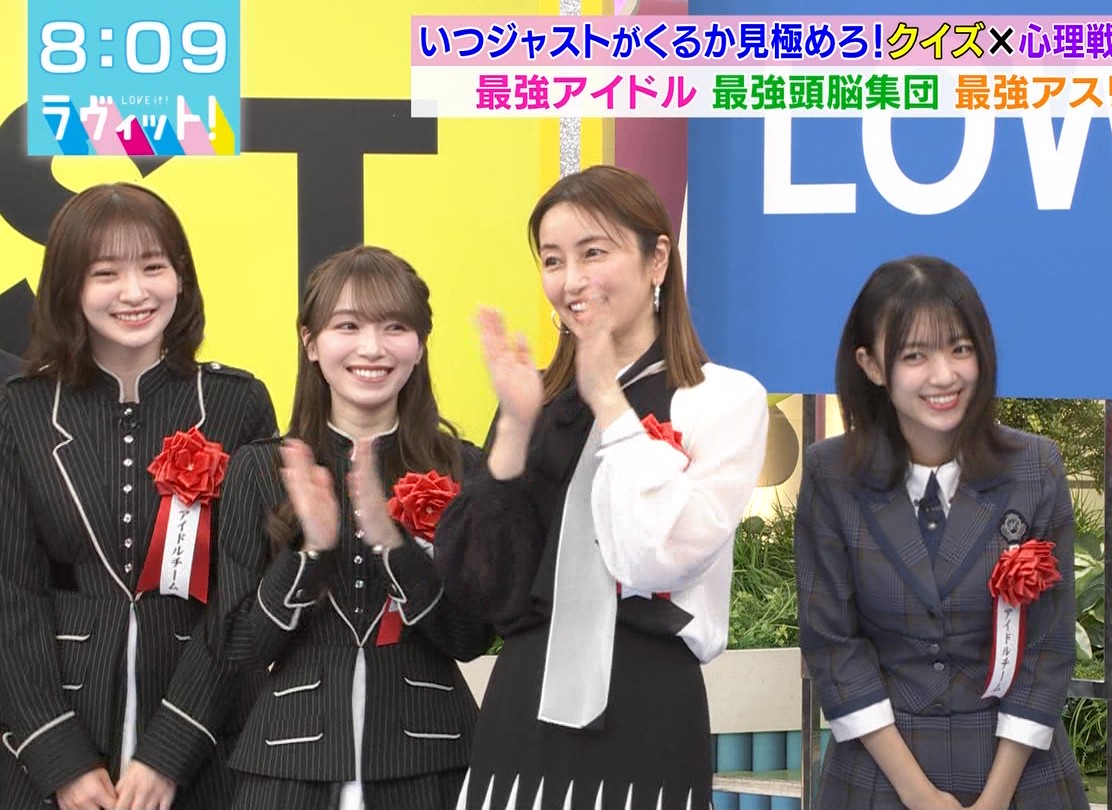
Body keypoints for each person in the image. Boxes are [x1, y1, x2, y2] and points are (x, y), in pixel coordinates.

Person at [434, 165, 767, 810]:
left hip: (648, 702)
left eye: (594, 252)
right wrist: (514, 431)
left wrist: (611, 406)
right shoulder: (534, 401)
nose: (572, 280)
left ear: (657, 259)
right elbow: (480, 590)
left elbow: (658, 558)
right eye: (553, 260)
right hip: (523, 701)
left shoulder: (723, 399)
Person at [0, 182, 278, 810]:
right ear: (70, 287)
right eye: (106, 273)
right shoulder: (22, 409)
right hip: (57, 738)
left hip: (208, 740)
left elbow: (244, 591)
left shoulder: (236, 402)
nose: (134, 292)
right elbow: (11, 592)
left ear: (181, 278)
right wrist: (59, 758)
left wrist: (172, 750)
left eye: (154, 267)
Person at [795, 256, 1088, 810]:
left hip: (1021, 776)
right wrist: (921, 795)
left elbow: (1047, 649)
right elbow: (834, 645)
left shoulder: (1034, 467)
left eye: (960, 349)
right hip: (879, 777)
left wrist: (995, 798)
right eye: (915, 356)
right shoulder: (831, 475)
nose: (944, 376)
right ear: (871, 365)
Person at [200, 246, 487, 810]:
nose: (372, 348)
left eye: (395, 327)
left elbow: (469, 638)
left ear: (421, 344)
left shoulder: (461, 467)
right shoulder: (261, 468)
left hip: (431, 762)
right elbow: (239, 647)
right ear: (311, 342)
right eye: (348, 326)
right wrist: (308, 551)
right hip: (289, 765)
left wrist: (394, 547)